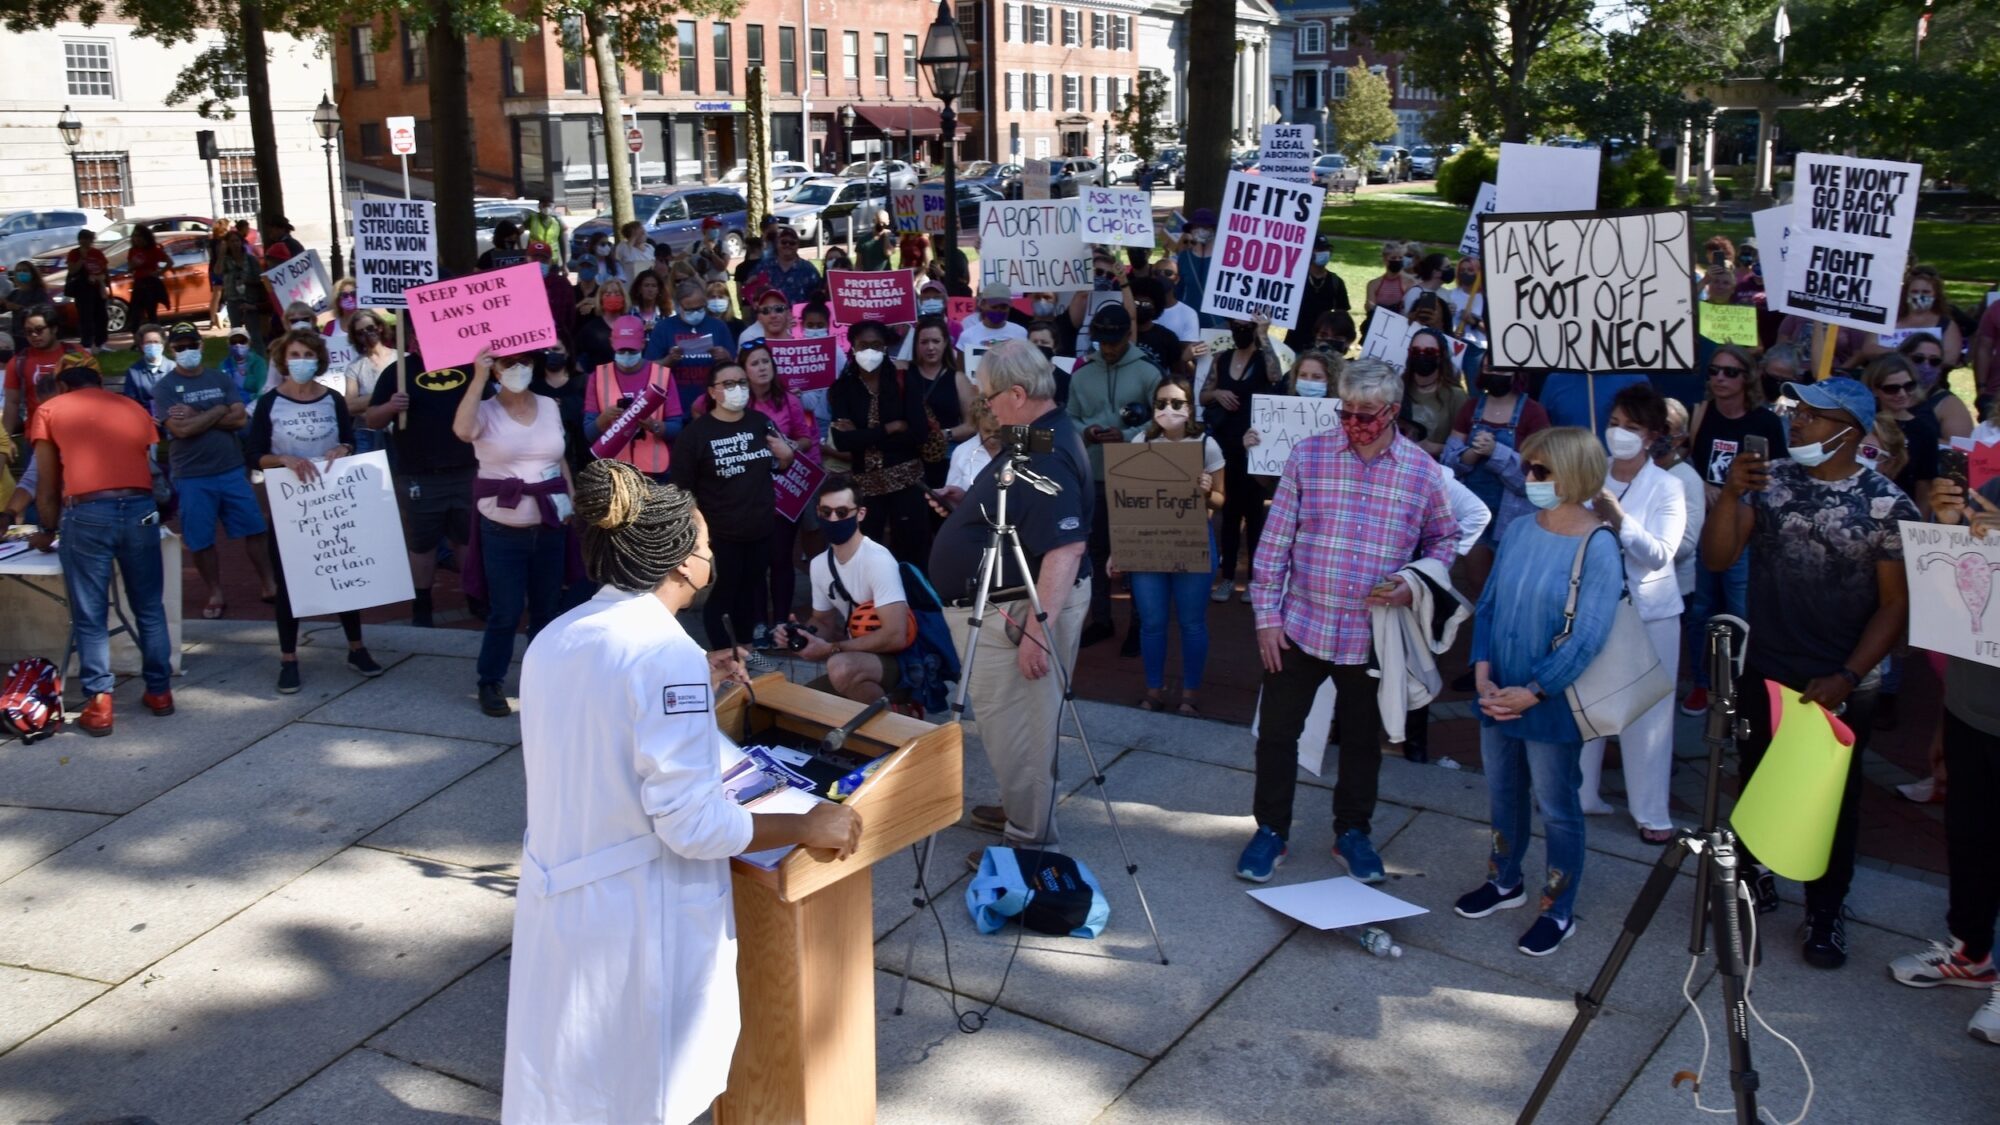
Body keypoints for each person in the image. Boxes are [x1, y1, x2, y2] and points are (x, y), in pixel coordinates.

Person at [503, 458, 861, 1125]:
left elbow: (606, 701)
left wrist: (695, 673)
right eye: (704, 543)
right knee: (639, 1092)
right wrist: (807, 825)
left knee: (570, 1086)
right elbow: (693, 825)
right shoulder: (661, 654)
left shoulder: (557, 634)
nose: (711, 554)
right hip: (633, 916)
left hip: (566, 897)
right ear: (678, 562)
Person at [1701, 376, 1917, 969]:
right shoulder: (1769, 485)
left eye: (1815, 416)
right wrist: (1728, 496)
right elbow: (1717, 558)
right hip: (1767, 670)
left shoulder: (1887, 505)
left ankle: (1825, 912)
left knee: (1834, 802)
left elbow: (1897, 605)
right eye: (1797, 411)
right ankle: (1752, 884)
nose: (1797, 422)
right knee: (1756, 781)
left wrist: (1848, 675)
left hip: (1843, 682)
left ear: (1851, 429)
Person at [1239, 358, 1459, 885]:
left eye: (1368, 415)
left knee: (1362, 740)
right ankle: (1270, 830)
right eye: (1347, 413)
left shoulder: (1423, 472)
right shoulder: (1308, 455)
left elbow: (1445, 538)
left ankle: (1353, 832)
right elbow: (1275, 543)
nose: (1356, 423)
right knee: (1276, 734)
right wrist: (1266, 618)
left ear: (1392, 411)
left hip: (1371, 636)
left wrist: (1416, 583)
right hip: (1300, 624)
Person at [1451, 427, 1625, 955]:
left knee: (1557, 804)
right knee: (1503, 790)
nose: (1528, 478)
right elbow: (1491, 604)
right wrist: (1481, 669)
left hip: (1550, 701)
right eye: (1528, 467)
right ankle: (1505, 879)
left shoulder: (1599, 544)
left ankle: (1558, 908)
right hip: (1498, 689)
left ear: (1573, 474)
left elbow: (1589, 635)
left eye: (1541, 470)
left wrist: (1536, 690)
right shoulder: (1522, 529)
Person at [929, 340, 1093, 864]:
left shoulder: (1046, 448)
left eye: (989, 398)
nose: (985, 408)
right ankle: (1024, 809)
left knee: (1020, 727)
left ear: (1018, 394)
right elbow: (1022, 505)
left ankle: (1030, 842)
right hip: (1008, 601)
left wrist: (1037, 634)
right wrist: (969, 508)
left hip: (1020, 611)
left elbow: (1066, 546)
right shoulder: (1038, 434)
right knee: (1011, 728)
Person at [1889, 475, 2000, 1043]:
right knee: (1970, 835)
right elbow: (1949, 603)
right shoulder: (1994, 488)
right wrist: (1949, 528)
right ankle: (1971, 951)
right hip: (1971, 705)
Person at [27, 354, 175, 733]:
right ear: (97, 382)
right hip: (141, 508)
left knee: (90, 613)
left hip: (88, 512)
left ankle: (100, 702)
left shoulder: (50, 409)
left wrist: (47, 527)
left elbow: (46, 483)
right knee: (148, 606)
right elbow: (148, 463)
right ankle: (160, 691)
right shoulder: (132, 407)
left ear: (62, 386)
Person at [1574, 385, 1688, 843]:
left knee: (1650, 713)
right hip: (1592, 604)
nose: (1620, 433)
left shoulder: (1668, 486)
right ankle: (1580, 794)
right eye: (1615, 424)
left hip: (1650, 612)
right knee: (1585, 701)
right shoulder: (1589, 473)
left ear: (1653, 435)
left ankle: (1651, 813)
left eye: (1633, 427)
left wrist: (1619, 519)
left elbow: (1662, 554)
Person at [245, 331, 383, 691]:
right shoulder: (269, 403)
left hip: (334, 500)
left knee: (344, 571)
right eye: (294, 354)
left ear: (319, 358)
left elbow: (348, 438)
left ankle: (356, 648)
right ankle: (288, 658)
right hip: (290, 504)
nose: (302, 360)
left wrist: (343, 448)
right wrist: (283, 459)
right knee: (289, 583)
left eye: (308, 353)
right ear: (283, 360)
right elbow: (252, 453)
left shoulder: (333, 400)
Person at [454, 348, 575, 718]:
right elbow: (462, 431)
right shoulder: (483, 410)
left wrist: (570, 497)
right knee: (505, 611)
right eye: (509, 363)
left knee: (546, 609)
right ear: (496, 369)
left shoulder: (549, 406)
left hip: (550, 524)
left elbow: (559, 458)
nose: (518, 369)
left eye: (524, 362)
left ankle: (542, 678)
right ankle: (489, 680)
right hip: (503, 529)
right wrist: (477, 377)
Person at [1681, 343, 1788, 716]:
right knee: (1702, 610)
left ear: (1748, 377)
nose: (1720, 379)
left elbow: (1778, 477)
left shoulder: (1766, 422)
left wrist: (1736, 495)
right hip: (1706, 525)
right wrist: (1704, 485)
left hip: (1744, 529)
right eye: (1714, 371)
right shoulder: (1702, 413)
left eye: (1730, 372)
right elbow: (1689, 460)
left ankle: (1742, 688)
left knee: (1740, 610)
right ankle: (1701, 683)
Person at [1108, 377, 1223, 715]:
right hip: (1148, 543)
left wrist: (1205, 491)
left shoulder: (1207, 445)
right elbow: (1124, 501)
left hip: (1193, 540)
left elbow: (1221, 498)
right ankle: (1154, 688)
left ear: (1190, 408)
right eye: (1161, 403)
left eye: (1176, 403)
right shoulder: (1141, 441)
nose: (1168, 410)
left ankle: (1190, 692)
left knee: (1192, 622)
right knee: (1152, 622)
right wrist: (1119, 549)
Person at [153, 320, 278, 617]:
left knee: (255, 528)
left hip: (231, 468)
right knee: (200, 539)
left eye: (191, 345)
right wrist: (219, 409)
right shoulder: (165, 388)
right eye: (180, 347)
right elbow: (180, 430)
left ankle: (269, 583)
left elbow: (240, 420)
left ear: (201, 344)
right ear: (172, 350)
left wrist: (200, 415)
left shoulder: (220, 379)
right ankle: (215, 591)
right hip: (191, 475)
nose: (187, 350)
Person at [673, 361, 793, 649]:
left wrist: (787, 455)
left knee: (750, 594)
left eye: (741, 382)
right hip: (720, 535)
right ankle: (724, 658)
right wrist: (696, 536)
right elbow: (681, 490)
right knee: (722, 597)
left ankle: (747, 651)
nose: (737, 389)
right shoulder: (695, 435)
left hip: (761, 529)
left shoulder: (760, 423)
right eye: (728, 384)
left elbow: (781, 466)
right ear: (712, 392)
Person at [1067, 302, 1164, 644]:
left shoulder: (1149, 373)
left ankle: (1140, 624)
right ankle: (1102, 619)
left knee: (1134, 552)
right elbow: (1071, 417)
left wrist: (1124, 435)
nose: (1107, 347)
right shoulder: (1081, 374)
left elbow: (1164, 419)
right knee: (1094, 549)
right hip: (1093, 472)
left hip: (1135, 474)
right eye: (1102, 341)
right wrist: (1086, 431)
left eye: (1114, 341)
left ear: (1127, 336)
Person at [366, 342, 478, 629]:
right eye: (415, 331)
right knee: (422, 544)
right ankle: (422, 603)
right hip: (418, 474)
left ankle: (474, 597)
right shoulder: (397, 372)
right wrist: (391, 407)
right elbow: (372, 419)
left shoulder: (467, 366)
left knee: (465, 539)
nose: (420, 337)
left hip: (466, 468)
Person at [777, 473, 914, 704]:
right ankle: (882, 719)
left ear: (859, 514)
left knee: (840, 667)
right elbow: (824, 622)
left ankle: (889, 730)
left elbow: (896, 636)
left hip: (899, 661)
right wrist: (800, 633)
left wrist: (832, 649)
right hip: (856, 657)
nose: (832, 519)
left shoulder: (877, 560)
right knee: (797, 704)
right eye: (825, 512)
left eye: (841, 512)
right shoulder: (820, 564)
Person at [1444, 366, 1550, 597]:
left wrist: (1496, 452)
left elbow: (1538, 474)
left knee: (1510, 589)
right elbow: (1448, 461)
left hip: (1515, 518)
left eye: (1502, 368)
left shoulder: (1534, 412)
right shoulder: (1471, 408)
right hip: (1475, 514)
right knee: (1478, 585)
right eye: (1489, 366)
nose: (1496, 374)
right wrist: (1471, 454)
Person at [733, 341, 818, 631]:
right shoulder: (738, 403)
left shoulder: (789, 400)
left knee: (781, 558)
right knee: (755, 562)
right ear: (744, 370)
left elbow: (806, 438)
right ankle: (758, 623)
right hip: (750, 495)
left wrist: (793, 445)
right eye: (754, 363)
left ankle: (781, 621)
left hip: (784, 493)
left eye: (765, 362)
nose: (761, 367)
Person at [829, 321, 928, 565]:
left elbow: (918, 434)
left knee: (913, 553)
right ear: (852, 347)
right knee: (868, 556)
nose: (869, 351)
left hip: (906, 483)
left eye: (876, 345)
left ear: (885, 348)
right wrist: (890, 428)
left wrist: (863, 436)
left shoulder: (904, 379)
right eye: (863, 345)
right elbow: (842, 442)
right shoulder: (842, 388)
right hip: (866, 489)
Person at [1201, 314, 1284, 604]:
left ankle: (1253, 579)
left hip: (1255, 446)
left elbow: (1276, 376)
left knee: (1254, 513)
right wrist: (1218, 393)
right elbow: (1203, 395)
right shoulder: (1222, 359)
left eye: (1245, 327)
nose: (1240, 331)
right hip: (1225, 445)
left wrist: (1264, 334)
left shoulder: (1264, 359)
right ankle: (1226, 577)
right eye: (1235, 326)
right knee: (1229, 513)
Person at [586, 315, 684, 481]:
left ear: (643, 344)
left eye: (632, 350)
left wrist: (654, 426)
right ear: (611, 343)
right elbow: (589, 433)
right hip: (614, 474)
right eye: (621, 350)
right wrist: (603, 420)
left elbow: (677, 427)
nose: (626, 355)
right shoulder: (598, 377)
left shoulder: (662, 375)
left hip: (655, 474)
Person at [646, 280, 738, 415]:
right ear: (678, 307)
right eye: (689, 309)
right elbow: (649, 368)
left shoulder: (718, 326)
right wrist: (668, 360)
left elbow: (736, 366)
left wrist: (726, 357)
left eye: (700, 308)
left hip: (713, 405)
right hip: (676, 405)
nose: (696, 313)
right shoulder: (664, 328)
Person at [905, 317, 976, 490]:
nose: (930, 347)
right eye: (924, 342)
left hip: (947, 457)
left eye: (936, 341)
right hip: (909, 458)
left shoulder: (958, 379)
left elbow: (972, 425)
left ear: (945, 343)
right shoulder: (903, 373)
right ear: (916, 345)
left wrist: (944, 434)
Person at [1863, 353, 1939, 515]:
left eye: (1909, 386)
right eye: (1892, 389)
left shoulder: (1924, 430)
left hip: (1904, 514)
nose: (1902, 393)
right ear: (1874, 390)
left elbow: (1924, 488)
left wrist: (1920, 528)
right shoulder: (1863, 424)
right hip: (1860, 509)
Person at [4, 306, 82, 438]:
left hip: (74, 433)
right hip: (38, 435)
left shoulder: (78, 355)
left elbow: (93, 397)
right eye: (28, 332)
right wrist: (4, 441)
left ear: (54, 329)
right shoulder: (18, 362)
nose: (34, 335)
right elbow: (12, 402)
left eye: (39, 330)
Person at [1864, 265, 1963, 367]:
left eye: (1926, 292)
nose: (1920, 296)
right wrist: (1906, 352)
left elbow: (1949, 359)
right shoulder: (1886, 319)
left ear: (1936, 295)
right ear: (1906, 294)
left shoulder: (1946, 324)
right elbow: (1869, 349)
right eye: (1914, 292)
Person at [1402, 326, 1465, 458]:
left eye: (1429, 352)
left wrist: (1433, 447)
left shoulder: (1456, 396)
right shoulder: (1398, 389)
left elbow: (1463, 448)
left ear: (1441, 356)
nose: (1421, 355)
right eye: (1415, 351)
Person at [1902, 332, 1973, 442]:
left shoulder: (1949, 405)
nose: (1926, 366)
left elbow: (1961, 451)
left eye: (1934, 361)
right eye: (1918, 359)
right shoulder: (1884, 392)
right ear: (1901, 359)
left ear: (1940, 367)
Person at [1285, 235, 1351, 352]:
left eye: (1327, 249)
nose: (1324, 253)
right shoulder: (1296, 278)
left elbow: (1342, 315)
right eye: (1319, 250)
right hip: (1295, 341)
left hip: (1323, 344)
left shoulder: (1336, 282)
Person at [957, 282, 1028, 368]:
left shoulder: (1020, 332)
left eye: (1004, 307)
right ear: (982, 304)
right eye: (994, 307)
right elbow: (961, 372)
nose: (999, 310)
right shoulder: (968, 335)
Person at [1131, 278, 1192, 380]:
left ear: (1157, 306)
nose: (1140, 307)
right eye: (1136, 303)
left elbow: (1177, 374)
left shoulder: (1168, 338)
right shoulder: (1123, 333)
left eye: (1146, 304)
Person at [215, 229, 262, 354]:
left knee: (254, 333)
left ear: (241, 242)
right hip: (233, 300)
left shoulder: (250, 259)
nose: (235, 244)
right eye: (231, 241)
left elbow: (260, 279)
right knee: (236, 332)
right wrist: (221, 253)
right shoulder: (226, 260)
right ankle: (239, 357)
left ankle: (259, 358)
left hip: (249, 299)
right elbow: (217, 272)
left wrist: (247, 282)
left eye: (237, 241)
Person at [64, 230, 110, 353]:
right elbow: (72, 270)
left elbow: (104, 269)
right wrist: (82, 259)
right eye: (82, 239)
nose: (85, 241)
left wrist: (102, 281)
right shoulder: (74, 253)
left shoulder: (97, 253)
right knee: (86, 317)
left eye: (87, 239)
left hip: (97, 287)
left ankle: (102, 342)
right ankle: (86, 344)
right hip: (82, 290)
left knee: (102, 317)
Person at [751, 226, 822, 305]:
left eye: (792, 243)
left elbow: (819, 297)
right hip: (771, 315)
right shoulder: (763, 267)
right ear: (777, 243)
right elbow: (750, 293)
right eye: (784, 242)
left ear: (798, 245)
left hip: (798, 316)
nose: (787, 245)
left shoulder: (809, 270)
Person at [1174, 208, 1220, 328]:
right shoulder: (1184, 257)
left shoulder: (1223, 259)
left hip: (1219, 324)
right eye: (1195, 227)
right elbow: (1178, 291)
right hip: (1191, 323)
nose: (1199, 230)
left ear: (1213, 230)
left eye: (1204, 227)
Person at [120, 322, 175, 418]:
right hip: (145, 419)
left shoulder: (174, 368)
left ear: (162, 345)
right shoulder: (133, 372)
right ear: (141, 346)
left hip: (173, 418)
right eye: (148, 343)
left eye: (156, 342)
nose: (153, 345)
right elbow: (131, 403)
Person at [125, 227, 172, 333]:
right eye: (135, 236)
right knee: (135, 314)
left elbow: (169, 262)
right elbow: (130, 268)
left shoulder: (154, 250)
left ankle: (157, 337)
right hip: (139, 283)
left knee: (151, 313)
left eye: (139, 236)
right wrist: (133, 265)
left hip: (151, 283)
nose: (137, 239)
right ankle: (137, 339)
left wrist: (159, 272)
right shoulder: (133, 251)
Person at [3, 260, 54, 355]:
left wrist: (19, 308)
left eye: (25, 270)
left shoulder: (39, 292)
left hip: (35, 336)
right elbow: (4, 306)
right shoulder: (15, 293)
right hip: (17, 336)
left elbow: (44, 312)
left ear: (32, 273)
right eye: (18, 271)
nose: (21, 273)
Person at [220, 325, 268, 402]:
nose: (238, 345)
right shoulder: (224, 364)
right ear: (229, 345)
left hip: (254, 403)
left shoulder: (258, 362)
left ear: (249, 343)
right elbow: (221, 390)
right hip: (232, 404)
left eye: (242, 341)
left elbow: (262, 389)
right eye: (233, 342)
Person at [1364, 240, 1412, 318]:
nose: (1397, 260)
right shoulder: (1373, 284)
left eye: (1400, 258)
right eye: (1393, 258)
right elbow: (1370, 309)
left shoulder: (1409, 283)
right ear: (1385, 260)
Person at [524, 195, 566, 268]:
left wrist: (564, 265)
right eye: (544, 205)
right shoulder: (532, 218)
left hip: (552, 262)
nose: (547, 208)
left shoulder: (557, 221)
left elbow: (562, 243)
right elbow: (518, 232)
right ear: (539, 206)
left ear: (553, 206)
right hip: (535, 260)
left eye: (549, 205)